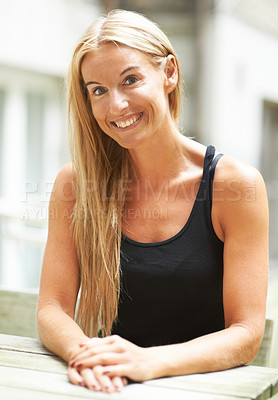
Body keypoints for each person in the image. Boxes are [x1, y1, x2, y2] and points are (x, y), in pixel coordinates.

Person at [37, 9, 269, 394]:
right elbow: (52, 308)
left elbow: (245, 333)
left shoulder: (235, 186)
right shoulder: (76, 185)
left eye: (131, 80)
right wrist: (88, 356)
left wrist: (148, 362)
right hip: (107, 386)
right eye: (98, 90)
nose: (116, 106)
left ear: (169, 73)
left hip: (197, 390)